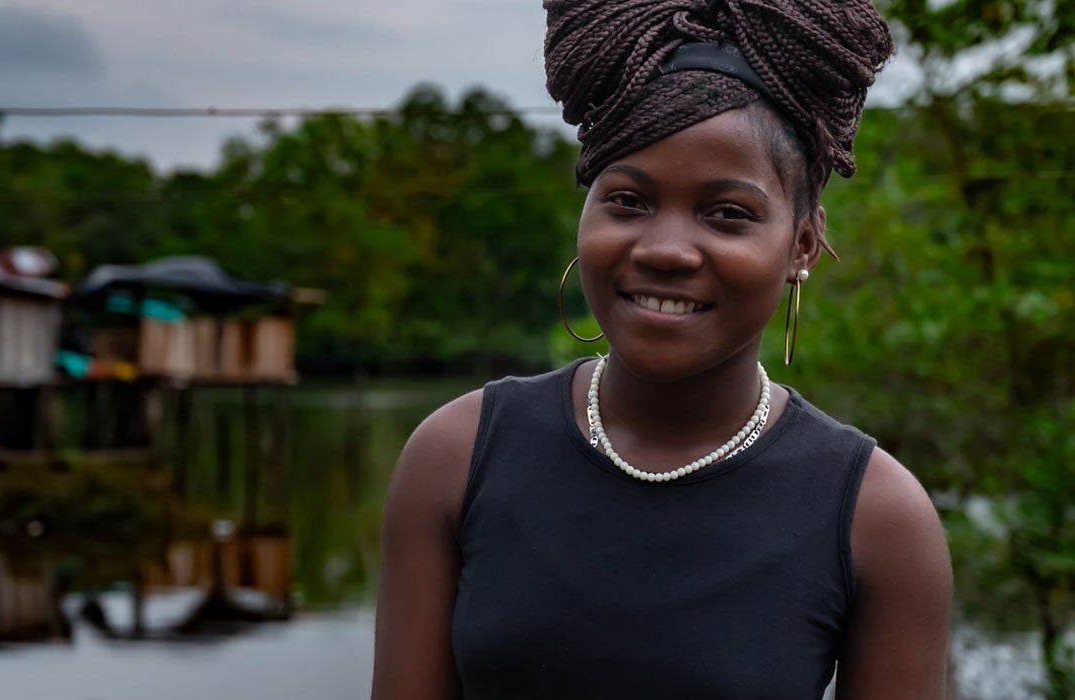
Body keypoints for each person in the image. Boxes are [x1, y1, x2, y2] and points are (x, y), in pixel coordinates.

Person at [372, 2, 952, 699]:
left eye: (727, 213)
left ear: (802, 244)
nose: (666, 250)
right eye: (628, 201)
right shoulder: (456, 458)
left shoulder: (876, 518)